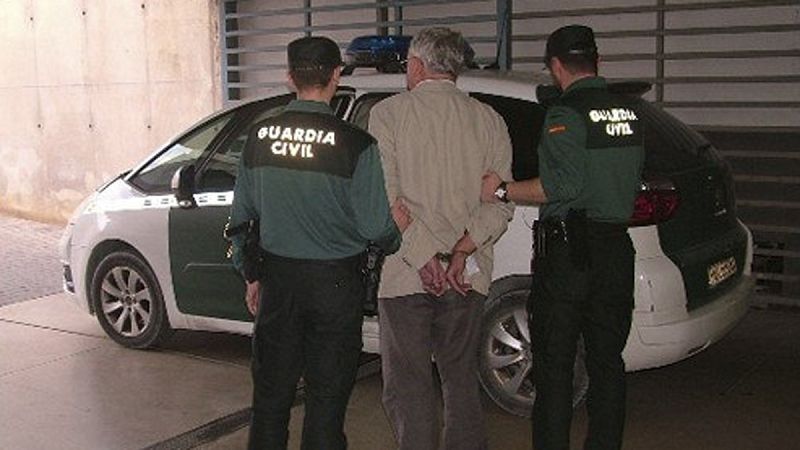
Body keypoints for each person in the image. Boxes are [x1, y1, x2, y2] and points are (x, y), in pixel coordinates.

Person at [228, 36, 410, 450]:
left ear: (289, 77)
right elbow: (376, 228)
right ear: (336, 75)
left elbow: (240, 219)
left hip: (278, 283)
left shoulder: (259, 137)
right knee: (326, 404)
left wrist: (251, 275)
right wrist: (394, 229)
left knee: (270, 402)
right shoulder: (356, 144)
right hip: (335, 288)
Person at [481, 24, 645, 450]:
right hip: (615, 249)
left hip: (570, 255)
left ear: (556, 66)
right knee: (607, 363)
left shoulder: (565, 115)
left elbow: (559, 187)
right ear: (597, 61)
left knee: (554, 366)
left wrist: (501, 191)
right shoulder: (628, 113)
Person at [369, 27, 514, 450]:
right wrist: (461, 251)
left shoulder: (388, 114)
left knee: (409, 386)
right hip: (465, 276)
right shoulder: (489, 120)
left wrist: (424, 257)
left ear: (416, 66)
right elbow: (499, 201)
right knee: (461, 380)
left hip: (405, 274)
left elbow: (386, 199)